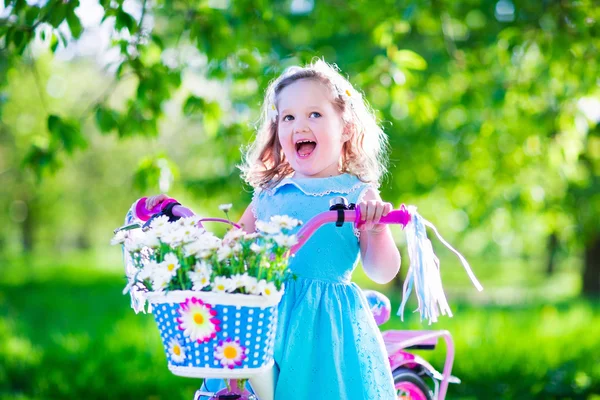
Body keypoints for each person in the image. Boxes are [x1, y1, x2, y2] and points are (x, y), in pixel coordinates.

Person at [147, 59, 399, 399]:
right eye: (288, 117)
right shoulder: (269, 195)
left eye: (315, 114)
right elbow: (233, 249)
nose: (300, 125)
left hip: (323, 328)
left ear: (346, 127)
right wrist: (190, 233)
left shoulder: (356, 193)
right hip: (264, 318)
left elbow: (383, 271)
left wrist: (376, 229)